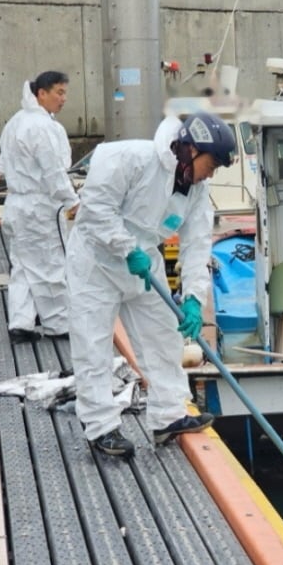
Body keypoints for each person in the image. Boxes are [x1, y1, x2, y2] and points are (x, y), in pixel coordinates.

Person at [65, 112, 237, 458]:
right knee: (93, 343)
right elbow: (97, 209)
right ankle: (101, 428)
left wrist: (191, 298)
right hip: (96, 261)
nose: (212, 173)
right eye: (212, 163)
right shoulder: (130, 157)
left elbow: (197, 243)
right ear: (190, 149)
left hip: (144, 262)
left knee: (163, 334)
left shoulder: (197, 190)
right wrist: (125, 247)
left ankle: (168, 415)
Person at [0, 71, 78, 343]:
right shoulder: (43, 127)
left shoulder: (16, 121)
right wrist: (73, 202)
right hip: (40, 206)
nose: (63, 99)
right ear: (42, 94)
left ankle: (21, 322)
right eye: (59, 92)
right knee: (51, 265)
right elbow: (54, 172)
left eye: (65, 93)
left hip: (16, 205)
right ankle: (59, 323)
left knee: (23, 266)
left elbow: (5, 156)